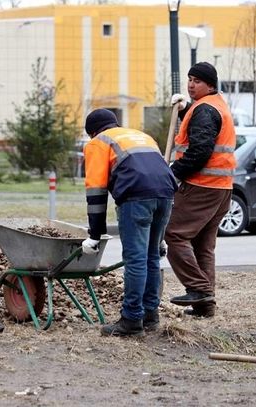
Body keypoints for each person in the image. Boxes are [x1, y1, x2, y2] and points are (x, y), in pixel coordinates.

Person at [81, 108, 178, 337]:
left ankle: (132, 320)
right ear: (114, 123)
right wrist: (161, 236)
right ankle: (150, 316)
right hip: (166, 195)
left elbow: (96, 192)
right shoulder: (141, 136)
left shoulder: (98, 142)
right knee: (152, 255)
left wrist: (95, 235)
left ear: (92, 132)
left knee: (135, 260)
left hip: (136, 198)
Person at [165, 61, 237, 318]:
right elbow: (202, 130)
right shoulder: (215, 105)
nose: (191, 84)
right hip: (222, 188)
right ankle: (205, 306)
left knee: (174, 234)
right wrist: (185, 108)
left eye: (197, 81)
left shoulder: (206, 109)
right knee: (203, 246)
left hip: (202, 187)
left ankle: (199, 289)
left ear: (210, 85)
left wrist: (172, 171)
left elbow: (200, 151)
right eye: (190, 79)